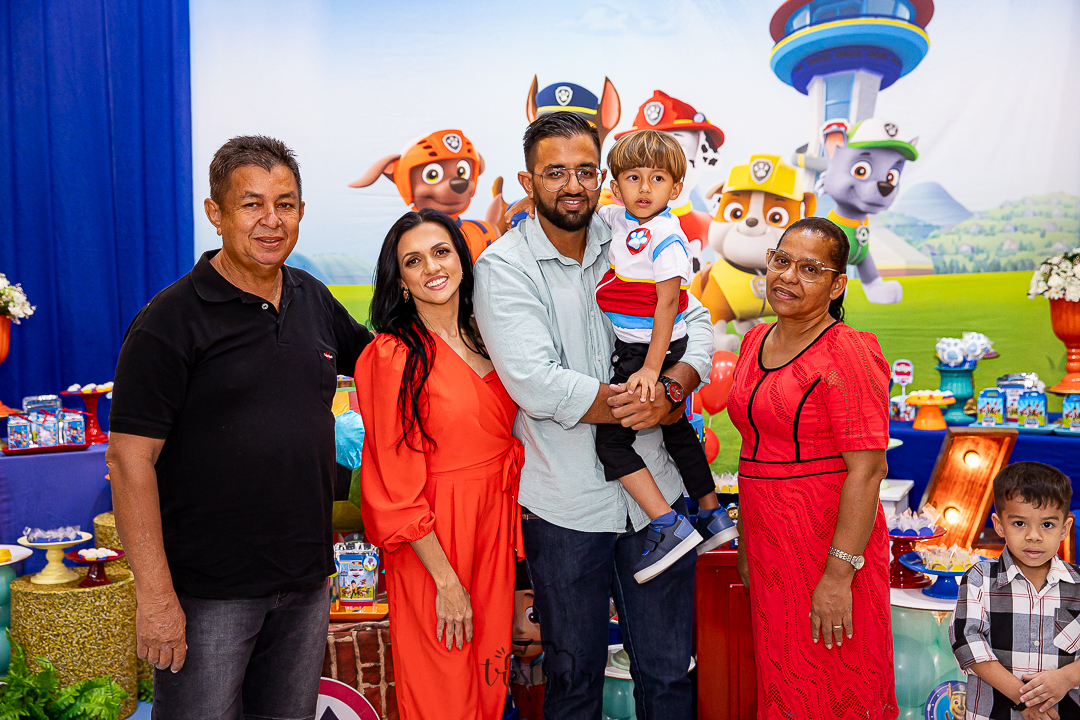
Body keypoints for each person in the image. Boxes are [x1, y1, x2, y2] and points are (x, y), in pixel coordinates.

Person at [106, 135, 373, 719]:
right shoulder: (168, 322)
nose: (271, 220)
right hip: (207, 596)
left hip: (304, 584)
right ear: (216, 213)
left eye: (285, 204)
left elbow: (385, 364)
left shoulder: (312, 298)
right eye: (252, 204)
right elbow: (128, 462)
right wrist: (155, 597)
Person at [473, 111, 715, 720]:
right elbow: (536, 383)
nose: (572, 185)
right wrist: (642, 403)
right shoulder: (504, 267)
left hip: (655, 502)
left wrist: (676, 386)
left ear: (602, 177)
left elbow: (696, 318)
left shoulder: (630, 234)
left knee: (669, 676)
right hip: (565, 510)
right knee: (573, 682)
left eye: (585, 171)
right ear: (528, 182)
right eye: (555, 172)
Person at [354, 209, 523, 720]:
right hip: (433, 540)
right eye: (413, 261)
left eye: (441, 252)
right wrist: (446, 582)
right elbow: (393, 487)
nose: (431, 267)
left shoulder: (490, 335)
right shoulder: (392, 357)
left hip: (493, 526)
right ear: (400, 282)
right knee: (444, 689)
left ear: (462, 260)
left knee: (490, 679)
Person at [726, 216, 897, 719]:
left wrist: (839, 576)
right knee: (784, 684)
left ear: (837, 285)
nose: (788, 276)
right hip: (769, 548)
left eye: (809, 269)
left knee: (838, 683)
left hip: (829, 548)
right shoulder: (754, 340)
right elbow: (750, 454)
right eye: (781, 261)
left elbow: (868, 470)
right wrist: (747, 544)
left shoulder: (848, 351)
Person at [952, 462, 1080, 720]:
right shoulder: (979, 578)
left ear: (1065, 528)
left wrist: (1067, 678)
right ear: (999, 525)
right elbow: (967, 644)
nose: (1033, 536)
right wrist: (1023, 699)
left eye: (1047, 525)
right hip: (992, 713)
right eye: (1020, 523)